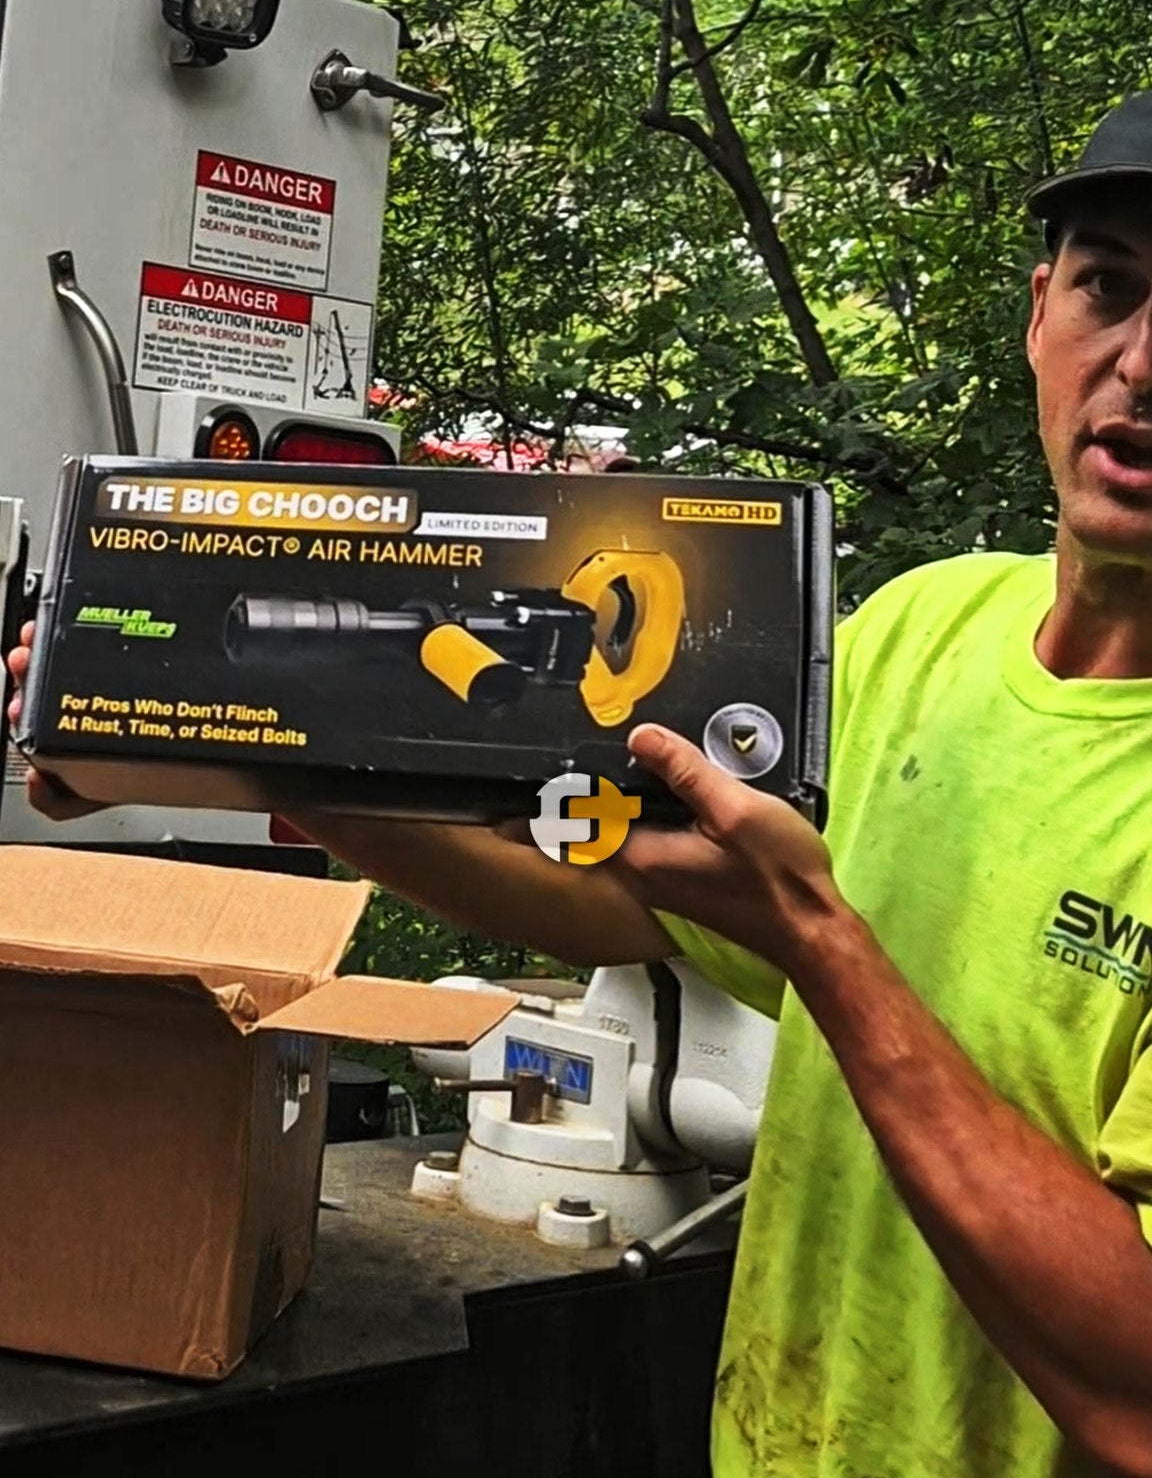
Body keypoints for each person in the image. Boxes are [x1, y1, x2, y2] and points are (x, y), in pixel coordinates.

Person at [12, 92, 1152, 1477]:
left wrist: (828, 950)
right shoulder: (925, 632)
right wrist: (229, 739)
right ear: (1041, 313)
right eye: (1110, 288)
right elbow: (617, 905)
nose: (1140, 364)